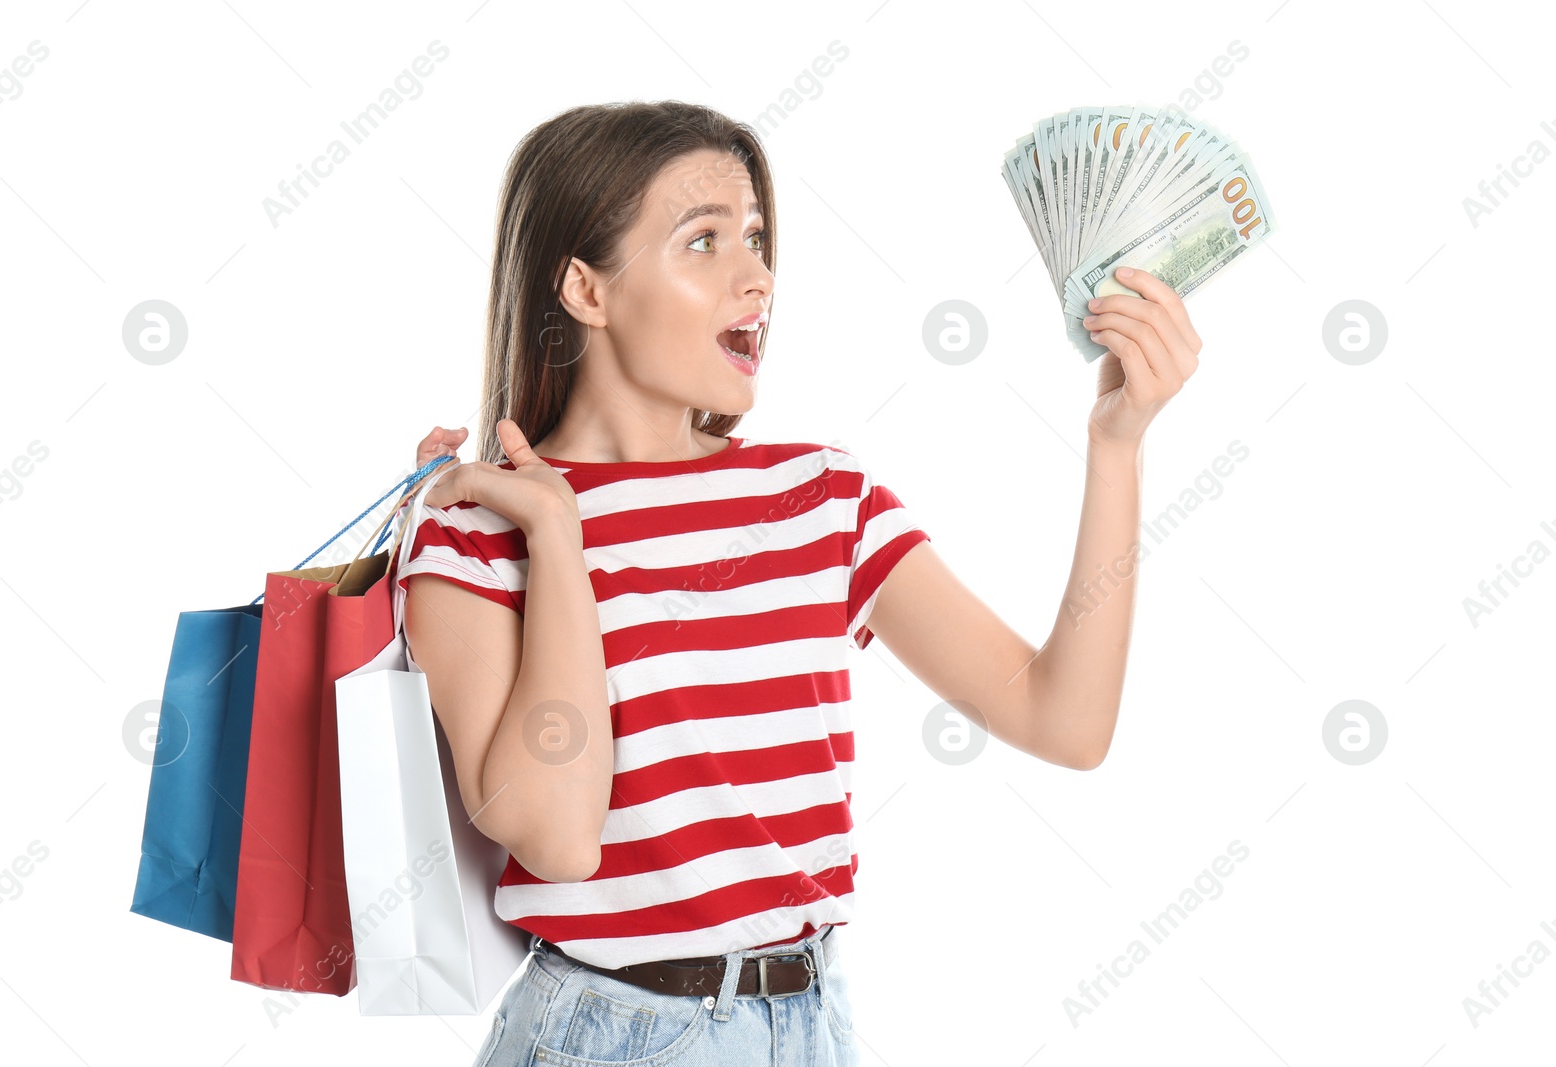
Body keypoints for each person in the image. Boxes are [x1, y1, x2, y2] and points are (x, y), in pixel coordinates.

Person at [395, 100, 1201, 1066]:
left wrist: (1117, 447)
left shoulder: (822, 496)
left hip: (812, 1024)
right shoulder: (477, 532)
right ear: (585, 288)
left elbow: (1064, 722)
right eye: (703, 241)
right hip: (612, 1036)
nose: (758, 278)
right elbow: (560, 836)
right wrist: (559, 539)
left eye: (757, 239)